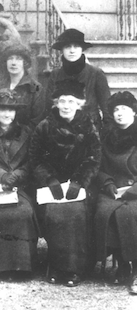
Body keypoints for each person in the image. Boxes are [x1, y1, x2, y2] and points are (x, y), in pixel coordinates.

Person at [29, 79, 101, 287]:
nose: (66, 105)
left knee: (76, 212)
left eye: (71, 101)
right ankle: (56, 265)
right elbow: (35, 159)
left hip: (80, 186)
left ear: (79, 104)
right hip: (52, 184)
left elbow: (94, 159)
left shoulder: (88, 126)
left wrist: (79, 181)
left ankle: (75, 269)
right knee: (54, 212)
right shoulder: (45, 126)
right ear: (56, 103)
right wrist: (49, 179)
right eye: (62, 101)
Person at [0, 89, 38, 278]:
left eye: (11, 110)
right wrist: (2, 176)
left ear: (16, 112)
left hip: (19, 185)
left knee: (24, 212)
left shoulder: (26, 133)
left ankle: (22, 267)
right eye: (3, 109)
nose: (7, 114)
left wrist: (17, 175)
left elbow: (32, 160)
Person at [93, 91, 137, 294]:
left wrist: (131, 191)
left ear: (134, 113)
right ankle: (122, 265)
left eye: (125, 109)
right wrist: (109, 185)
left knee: (127, 212)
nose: (120, 113)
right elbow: (99, 167)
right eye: (116, 110)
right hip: (112, 189)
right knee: (106, 210)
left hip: (134, 190)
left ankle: (134, 268)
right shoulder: (106, 137)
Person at [45, 28, 111, 130]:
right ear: (62, 50)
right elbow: (49, 105)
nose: (72, 50)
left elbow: (107, 107)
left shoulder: (96, 74)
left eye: (76, 46)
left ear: (82, 49)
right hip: (61, 129)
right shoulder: (55, 74)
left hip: (90, 129)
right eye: (67, 47)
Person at [0, 43, 45, 128]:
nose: (13, 63)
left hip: (24, 137)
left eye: (18, 59)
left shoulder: (35, 88)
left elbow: (37, 120)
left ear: (25, 63)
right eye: (10, 59)